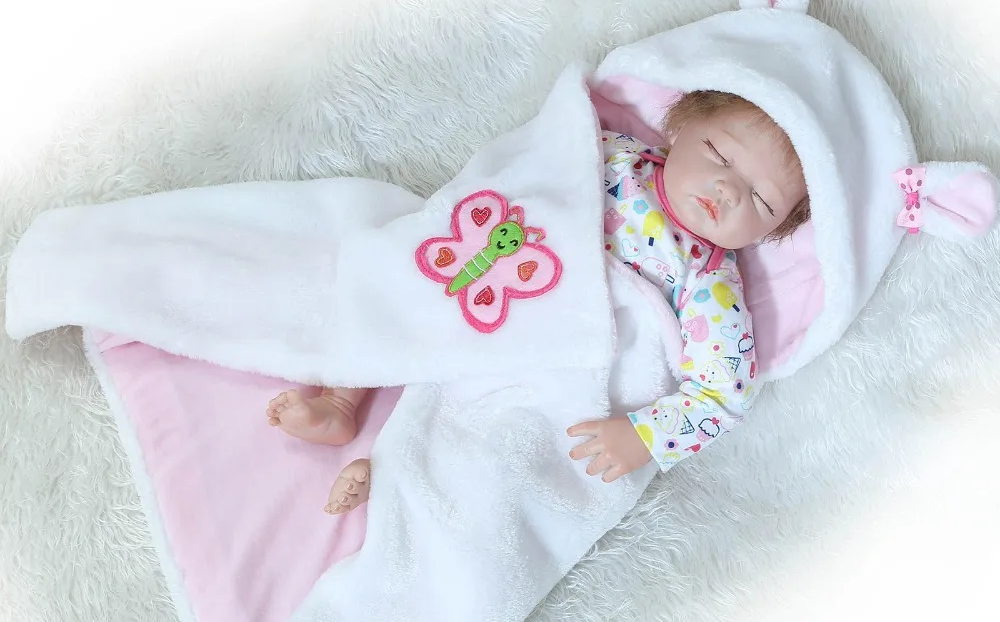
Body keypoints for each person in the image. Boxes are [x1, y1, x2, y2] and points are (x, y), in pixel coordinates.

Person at [266, 90, 811, 514]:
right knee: (402, 285)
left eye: (762, 201)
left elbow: (723, 394)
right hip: (493, 269)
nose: (727, 190)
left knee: (494, 426)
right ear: (683, 124)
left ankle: (397, 475)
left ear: (769, 233)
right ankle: (342, 398)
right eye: (720, 155)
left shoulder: (711, 281)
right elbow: (536, 165)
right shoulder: (611, 153)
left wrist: (646, 435)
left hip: (552, 339)